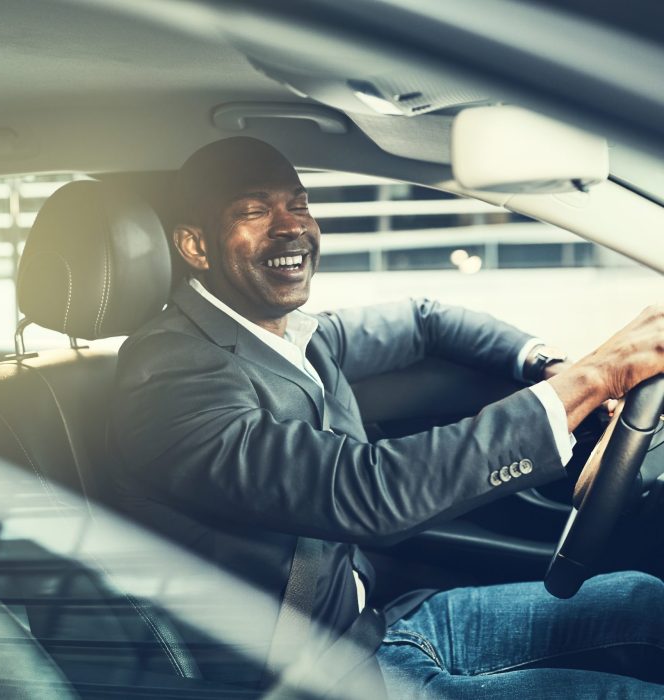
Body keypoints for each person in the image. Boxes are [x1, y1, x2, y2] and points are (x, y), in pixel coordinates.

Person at [110, 136, 664, 698]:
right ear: (195, 246)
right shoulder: (167, 378)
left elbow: (424, 320)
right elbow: (368, 491)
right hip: (310, 678)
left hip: (379, 627)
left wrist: (549, 365)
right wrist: (594, 377)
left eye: (298, 204)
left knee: (644, 601)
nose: (290, 226)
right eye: (254, 211)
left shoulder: (292, 334)